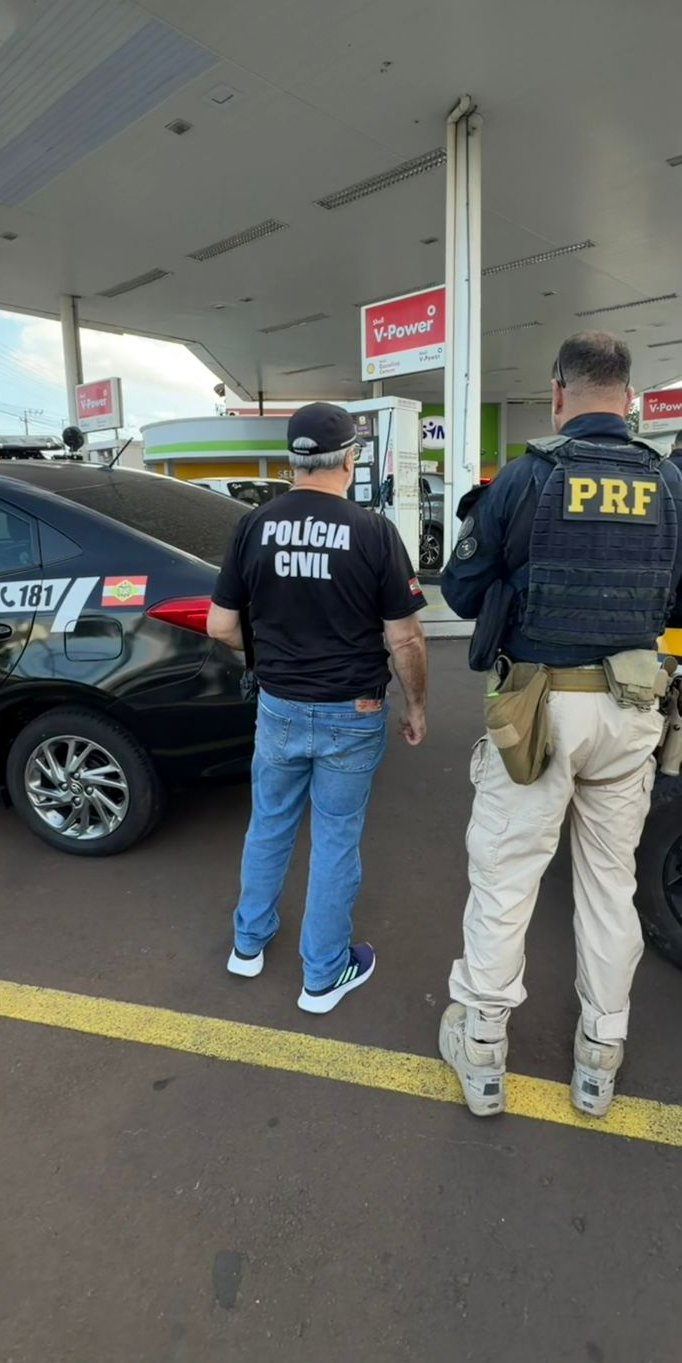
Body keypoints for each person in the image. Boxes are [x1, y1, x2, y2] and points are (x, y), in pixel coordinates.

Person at [438, 333, 682, 1118]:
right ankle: (600, 1054)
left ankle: (483, 1051)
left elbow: (460, 593)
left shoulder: (526, 477)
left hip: (538, 710)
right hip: (632, 709)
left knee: (506, 879)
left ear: (557, 394)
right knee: (607, 884)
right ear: (629, 399)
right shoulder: (677, 484)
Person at [207, 402, 427, 1014]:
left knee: (269, 823)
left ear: (292, 461)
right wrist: (416, 706)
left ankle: (248, 944)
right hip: (353, 708)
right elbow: (406, 639)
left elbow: (220, 626)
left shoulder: (253, 526)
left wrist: (268, 656)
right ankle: (323, 976)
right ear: (350, 459)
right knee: (335, 839)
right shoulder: (374, 531)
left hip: (278, 704)